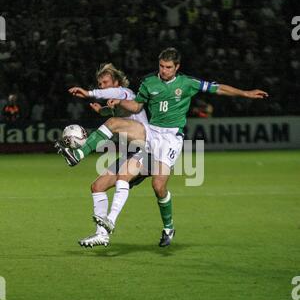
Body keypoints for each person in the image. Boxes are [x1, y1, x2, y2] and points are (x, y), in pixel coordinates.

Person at [56, 47, 268, 247]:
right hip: (150, 132)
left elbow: (217, 88)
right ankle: (81, 161)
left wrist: (246, 93)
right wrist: (113, 106)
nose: (164, 71)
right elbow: (136, 105)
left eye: (168, 67)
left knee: (158, 186)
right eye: (161, 66)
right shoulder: (149, 83)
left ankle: (168, 228)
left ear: (177, 67)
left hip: (171, 138)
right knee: (111, 154)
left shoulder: (187, 83)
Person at [62, 63, 149, 247]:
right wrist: (100, 110)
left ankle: (79, 153)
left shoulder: (126, 93)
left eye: (105, 82)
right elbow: (113, 109)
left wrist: (89, 93)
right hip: (130, 155)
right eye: (100, 84)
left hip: (147, 149)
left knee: (112, 122)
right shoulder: (115, 104)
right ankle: (101, 234)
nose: (102, 86)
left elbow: (116, 99)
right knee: (97, 186)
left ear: (116, 83)